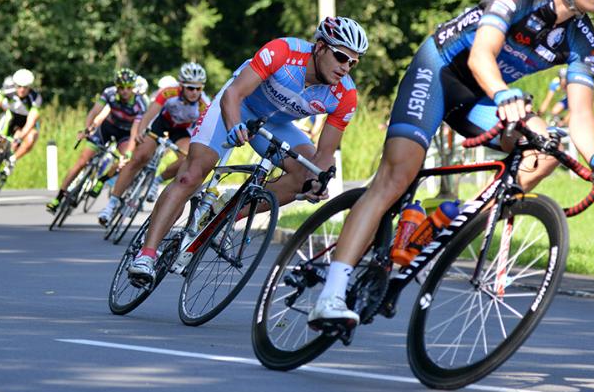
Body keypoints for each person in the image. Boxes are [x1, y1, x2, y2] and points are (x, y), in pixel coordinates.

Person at [308, 0, 594, 326]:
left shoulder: (583, 38)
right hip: (439, 73)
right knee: (397, 176)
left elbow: (581, 111)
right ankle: (332, 294)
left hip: (480, 97)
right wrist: (504, 95)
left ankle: (449, 221)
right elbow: (481, 57)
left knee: (548, 149)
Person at [127, 17, 367, 286]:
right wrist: (233, 126)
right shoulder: (283, 51)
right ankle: (146, 255)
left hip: (276, 125)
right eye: (341, 56)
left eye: (353, 63)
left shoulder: (345, 95)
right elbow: (234, 94)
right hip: (236, 106)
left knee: (306, 174)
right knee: (192, 174)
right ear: (321, 47)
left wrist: (315, 183)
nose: (346, 67)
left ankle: (228, 214)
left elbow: (323, 154)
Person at [97, 62, 210, 226]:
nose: (194, 92)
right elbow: (150, 113)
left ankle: (157, 180)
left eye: (198, 89)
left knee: (187, 158)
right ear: (181, 86)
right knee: (139, 157)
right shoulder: (168, 92)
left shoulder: (203, 104)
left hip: (180, 130)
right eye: (190, 88)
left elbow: (202, 132)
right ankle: (111, 204)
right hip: (161, 123)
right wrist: (142, 132)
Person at [46, 68, 148, 214]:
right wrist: (86, 129)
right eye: (121, 87)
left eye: (128, 88)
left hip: (125, 133)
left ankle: (102, 180)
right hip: (107, 128)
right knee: (82, 161)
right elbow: (95, 111)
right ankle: (59, 197)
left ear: (133, 87)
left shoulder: (140, 104)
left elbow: (134, 132)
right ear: (116, 87)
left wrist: (130, 152)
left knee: (124, 160)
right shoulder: (109, 93)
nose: (125, 91)